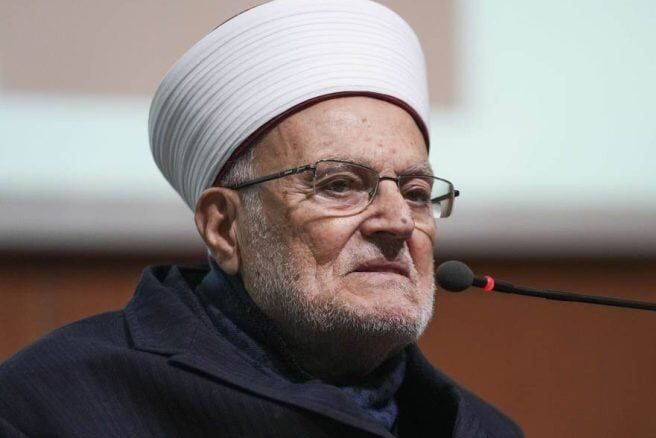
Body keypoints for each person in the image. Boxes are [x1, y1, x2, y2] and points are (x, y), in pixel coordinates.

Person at [0, 1, 522, 436]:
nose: (398, 222)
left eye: (415, 192)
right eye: (339, 185)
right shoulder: (51, 405)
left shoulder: (481, 429)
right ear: (225, 228)